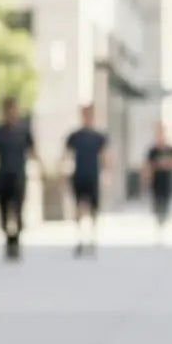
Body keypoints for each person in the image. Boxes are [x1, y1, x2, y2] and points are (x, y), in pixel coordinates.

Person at [0, 97, 44, 261]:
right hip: (2, 177)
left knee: (18, 211)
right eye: (8, 110)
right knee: (4, 213)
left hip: (19, 177)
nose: (11, 113)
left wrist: (42, 170)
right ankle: (8, 241)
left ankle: (16, 242)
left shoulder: (23, 132)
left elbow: (33, 152)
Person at [63, 105, 109, 257]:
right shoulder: (74, 136)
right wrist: (64, 174)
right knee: (79, 208)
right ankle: (80, 239)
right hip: (79, 175)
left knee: (93, 209)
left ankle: (92, 238)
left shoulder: (99, 136)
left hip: (93, 176)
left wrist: (106, 174)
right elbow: (67, 156)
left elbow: (105, 156)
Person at [142, 123, 172, 241]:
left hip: (167, 180)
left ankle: (163, 222)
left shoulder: (171, 149)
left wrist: (168, 165)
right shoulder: (152, 150)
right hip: (156, 181)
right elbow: (147, 166)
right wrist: (145, 180)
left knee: (166, 202)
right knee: (157, 203)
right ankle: (158, 223)